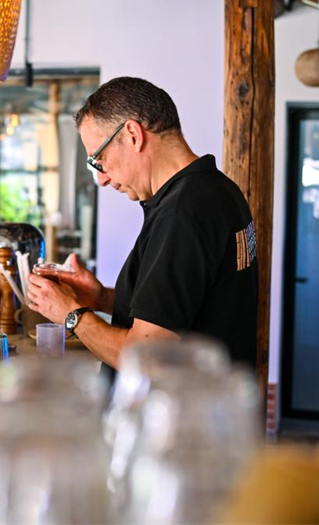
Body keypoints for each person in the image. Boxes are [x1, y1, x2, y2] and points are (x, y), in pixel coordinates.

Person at [26, 76, 258, 376]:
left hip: (178, 415)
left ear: (133, 135)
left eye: (99, 159)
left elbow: (146, 357)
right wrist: (101, 299)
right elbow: (179, 311)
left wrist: (70, 314)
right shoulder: (218, 190)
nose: (101, 178)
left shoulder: (183, 214)